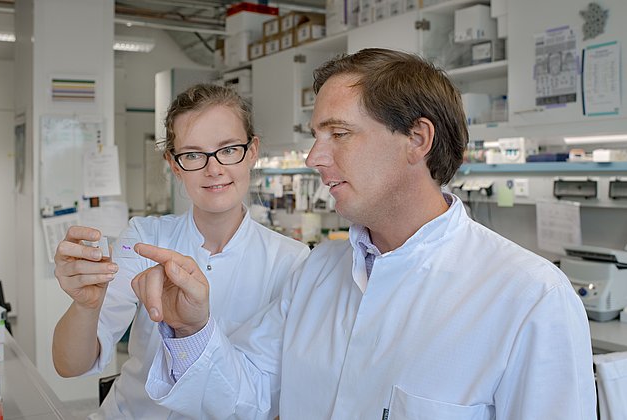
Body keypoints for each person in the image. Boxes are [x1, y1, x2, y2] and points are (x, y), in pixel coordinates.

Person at [132, 49, 597, 419]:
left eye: (339, 133)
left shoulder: (529, 297)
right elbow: (248, 397)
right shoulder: (317, 271)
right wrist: (192, 328)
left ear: (417, 140)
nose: (314, 156)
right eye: (317, 134)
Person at [51, 84, 309, 418]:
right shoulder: (144, 237)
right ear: (174, 164)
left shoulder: (293, 263)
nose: (213, 169)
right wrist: (86, 306)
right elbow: (69, 365)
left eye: (228, 149)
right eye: (192, 155)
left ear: (252, 150)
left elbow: (267, 400)